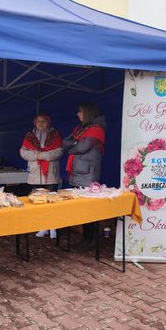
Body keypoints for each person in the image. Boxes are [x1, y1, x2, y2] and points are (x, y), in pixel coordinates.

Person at [63, 102, 106, 251]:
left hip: (88, 174)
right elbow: (64, 142)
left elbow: (82, 147)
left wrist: (73, 147)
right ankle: (86, 238)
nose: (77, 114)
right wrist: (76, 142)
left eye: (80, 111)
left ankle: (91, 239)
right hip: (78, 173)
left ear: (87, 113)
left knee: (89, 209)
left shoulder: (97, 130)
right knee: (82, 208)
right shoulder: (80, 130)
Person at [20, 113, 63, 238]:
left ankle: (53, 227)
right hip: (35, 174)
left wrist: (42, 155)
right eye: (39, 121)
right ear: (35, 122)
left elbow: (59, 151)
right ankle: (42, 227)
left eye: (43, 121)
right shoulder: (29, 136)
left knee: (51, 201)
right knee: (38, 201)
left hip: (50, 174)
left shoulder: (55, 135)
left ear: (48, 122)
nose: (41, 123)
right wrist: (39, 155)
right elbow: (23, 152)